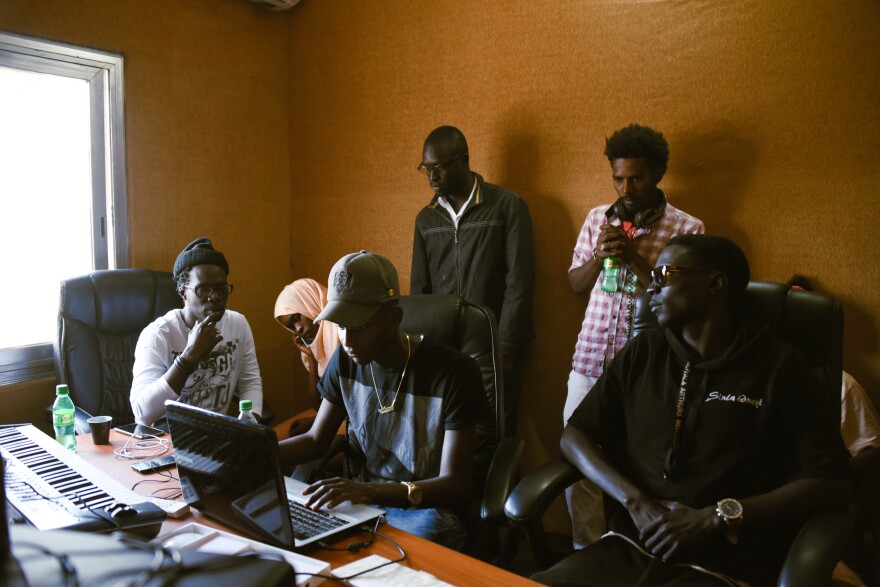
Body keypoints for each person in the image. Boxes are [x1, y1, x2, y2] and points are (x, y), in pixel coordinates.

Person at [534, 235, 851, 587]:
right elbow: (576, 434)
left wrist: (717, 517)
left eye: (663, 275)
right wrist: (636, 502)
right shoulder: (645, 352)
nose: (649, 289)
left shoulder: (781, 366)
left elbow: (828, 481)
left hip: (724, 563)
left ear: (714, 283)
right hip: (630, 546)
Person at [279, 251, 486, 551]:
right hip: (364, 504)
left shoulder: (454, 373)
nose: (347, 340)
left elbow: (455, 484)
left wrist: (368, 491)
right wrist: (253, 453)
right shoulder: (345, 361)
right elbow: (315, 439)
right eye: (339, 324)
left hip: (424, 509)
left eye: (360, 326)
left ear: (394, 317)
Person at [565, 124, 705, 546]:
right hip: (589, 364)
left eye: (637, 178)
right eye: (618, 179)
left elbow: (685, 301)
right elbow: (574, 285)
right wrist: (598, 257)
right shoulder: (596, 219)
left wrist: (636, 258)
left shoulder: (688, 228)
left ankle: (640, 554)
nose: (626, 188)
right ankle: (585, 552)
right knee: (580, 467)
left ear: (659, 172)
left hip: (650, 371)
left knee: (642, 467)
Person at [411, 125, 534, 436]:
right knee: (445, 431)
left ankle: (500, 487)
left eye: (438, 167)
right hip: (442, 346)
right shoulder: (426, 218)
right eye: (426, 169)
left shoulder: (507, 205)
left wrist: (506, 348)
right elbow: (419, 291)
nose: (432, 177)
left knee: (495, 432)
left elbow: (519, 282)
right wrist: (420, 348)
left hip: (493, 345)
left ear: (463, 160)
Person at [131, 237, 263, 425]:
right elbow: (142, 414)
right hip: (165, 442)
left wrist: (251, 426)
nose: (215, 297)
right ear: (183, 292)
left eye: (221, 288)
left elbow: (250, 383)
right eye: (203, 289)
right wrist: (188, 357)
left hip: (215, 437)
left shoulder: (238, 324)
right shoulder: (158, 335)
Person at [274, 278, 340, 437]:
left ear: (310, 302)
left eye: (297, 318)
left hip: (354, 421)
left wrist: (314, 421)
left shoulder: (342, 331)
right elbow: (317, 403)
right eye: (291, 327)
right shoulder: (317, 344)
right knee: (274, 438)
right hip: (334, 414)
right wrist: (311, 356)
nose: (298, 329)